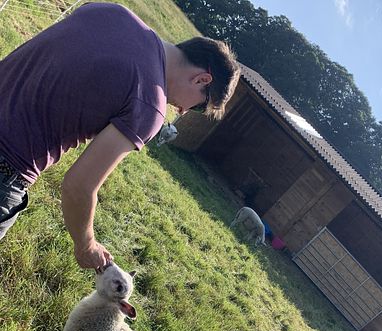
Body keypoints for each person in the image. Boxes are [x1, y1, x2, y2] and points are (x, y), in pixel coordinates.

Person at [0, 2, 240, 269]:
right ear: (202, 80)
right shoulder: (150, 104)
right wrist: (86, 245)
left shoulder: (111, 11)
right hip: (7, 167)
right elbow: (78, 186)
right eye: (197, 107)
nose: (183, 110)